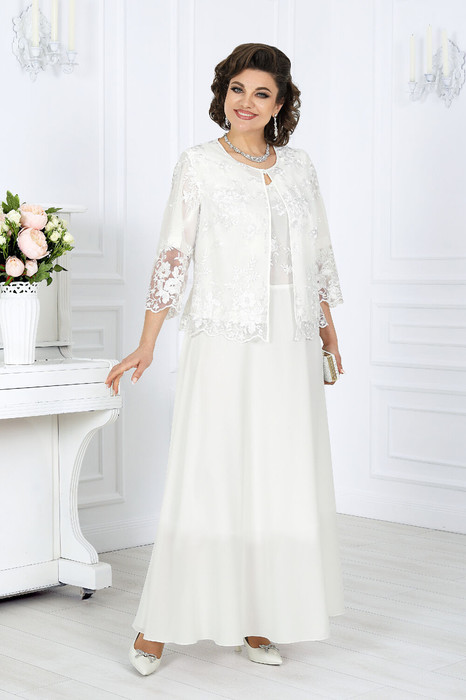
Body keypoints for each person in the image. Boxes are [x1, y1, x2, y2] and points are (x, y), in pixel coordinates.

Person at [106, 42, 345, 676]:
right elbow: (173, 255)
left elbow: (317, 258)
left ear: (281, 104)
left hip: (289, 342)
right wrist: (148, 341)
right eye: (238, 89)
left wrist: (329, 333)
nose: (247, 102)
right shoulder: (198, 165)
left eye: (262, 93)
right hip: (223, 338)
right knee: (209, 473)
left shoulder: (300, 169)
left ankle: (258, 618)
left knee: (279, 477)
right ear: (223, 94)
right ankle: (157, 628)